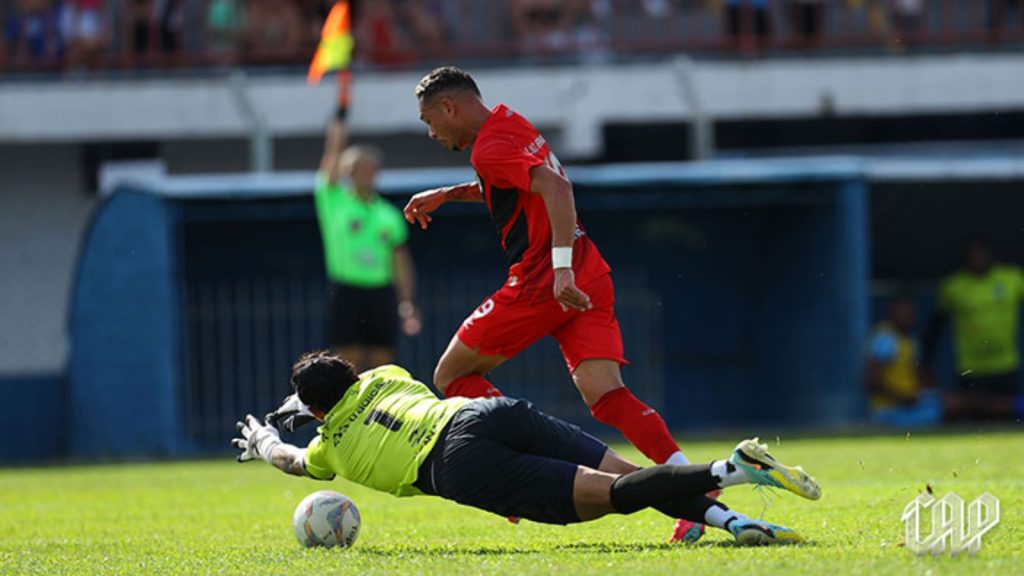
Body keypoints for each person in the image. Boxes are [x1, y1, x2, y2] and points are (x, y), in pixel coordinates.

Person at [404, 66, 711, 543]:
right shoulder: (511, 122)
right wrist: (449, 194)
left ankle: (518, 455)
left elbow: (556, 189)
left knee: (451, 377)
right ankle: (691, 489)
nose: (430, 133)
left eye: (429, 121)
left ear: (450, 107)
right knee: (607, 396)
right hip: (591, 274)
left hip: (541, 284)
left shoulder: (488, 148)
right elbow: (520, 186)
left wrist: (559, 267)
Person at [233, 350, 821, 545]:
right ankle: (733, 520)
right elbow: (349, 389)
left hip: (458, 464)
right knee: (628, 475)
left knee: (617, 496)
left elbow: (292, 459)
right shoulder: (385, 373)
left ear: (313, 412)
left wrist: (264, 438)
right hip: (488, 413)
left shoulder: (329, 449)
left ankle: (732, 470)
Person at [316, 78, 421, 373]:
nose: (368, 175)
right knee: (347, 361)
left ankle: (378, 414)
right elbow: (332, 153)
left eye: (372, 170)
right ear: (349, 172)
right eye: (361, 170)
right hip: (346, 289)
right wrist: (341, 113)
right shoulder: (334, 201)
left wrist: (407, 302)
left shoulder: (388, 214)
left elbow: (401, 261)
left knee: (382, 363)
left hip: (380, 292)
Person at [924, 235, 1024, 422]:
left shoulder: (1012, 279)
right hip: (971, 367)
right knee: (976, 423)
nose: (978, 260)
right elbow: (935, 328)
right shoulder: (953, 287)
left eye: (982, 255)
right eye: (973, 256)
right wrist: (927, 363)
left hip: (1005, 365)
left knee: (1009, 419)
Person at [864, 292, 942, 427]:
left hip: (912, 402)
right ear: (892, 313)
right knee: (951, 406)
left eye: (910, 312)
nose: (906, 316)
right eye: (902, 311)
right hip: (889, 410)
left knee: (958, 401)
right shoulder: (885, 338)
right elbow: (871, 381)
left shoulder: (910, 338)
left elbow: (918, 373)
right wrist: (903, 397)